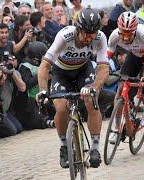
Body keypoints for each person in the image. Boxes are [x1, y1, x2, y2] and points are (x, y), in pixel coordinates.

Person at [36, 8, 109, 168]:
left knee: (91, 99)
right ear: (78, 29)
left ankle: (95, 147)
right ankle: (64, 146)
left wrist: (95, 87)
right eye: (86, 34)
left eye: (93, 34)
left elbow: (104, 68)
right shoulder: (64, 36)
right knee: (61, 108)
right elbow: (44, 66)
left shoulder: (100, 37)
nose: (89, 38)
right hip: (61, 72)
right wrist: (42, 90)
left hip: (83, 69)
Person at [107, 11, 144, 126]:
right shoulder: (114, 36)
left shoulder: (143, 34)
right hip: (135, 54)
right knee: (121, 87)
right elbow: (105, 59)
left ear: (135, 30)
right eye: (123, 33)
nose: (126, 37)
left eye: (129, 33)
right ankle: (116, 125)